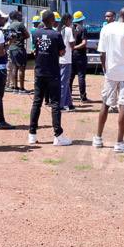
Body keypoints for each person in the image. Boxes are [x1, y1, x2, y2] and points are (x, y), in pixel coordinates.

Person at [94, 6, 124, 152]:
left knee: (105, 103)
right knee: (123, 104)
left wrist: (105, 69)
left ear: (119, 15)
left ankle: (98, 138)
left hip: (110, 72)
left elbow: (102, 53)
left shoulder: (106, 28)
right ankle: (119, 142)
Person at [27, 11, 70, 146]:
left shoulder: (35, 33)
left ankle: (32, 134)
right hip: (53, 73)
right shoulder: (56, 35)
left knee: (37, 103)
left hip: (39, 72)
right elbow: (62, 52)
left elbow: (35, 49)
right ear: (52, 20)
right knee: (55, 104)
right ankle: (58, 135)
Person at [6, 11, 29, 94]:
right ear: (16, 16)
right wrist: (21, 38)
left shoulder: (10, 25)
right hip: (19, 48)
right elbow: (27, 35)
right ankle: (22, 89)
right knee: (21, 68)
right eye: (20, 15)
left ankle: (15, 88)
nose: (21, 16)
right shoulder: (20, 24)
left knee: (15, 68)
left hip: (12, 48)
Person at [69, 11, 89, 101]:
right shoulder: (83, 29)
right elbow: (84, 43)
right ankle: (83, 97)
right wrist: (75, 47)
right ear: (82, 20)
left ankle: (69, 96)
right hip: (80, 55)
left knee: (71, 76)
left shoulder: (69, 29)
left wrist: (72, 48)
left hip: (71, 55)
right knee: (81, 76)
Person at [58, 13, 75, 111]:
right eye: (71, 20)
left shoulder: (58, 29)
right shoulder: (68, 30)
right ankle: (61, 105)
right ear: (67, 20)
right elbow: (72, 45)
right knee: (63, 83)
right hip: (66, 59)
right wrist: (74, 33)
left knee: (65, 82)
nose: (71, 22)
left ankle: (69, 103)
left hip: (58, 59)